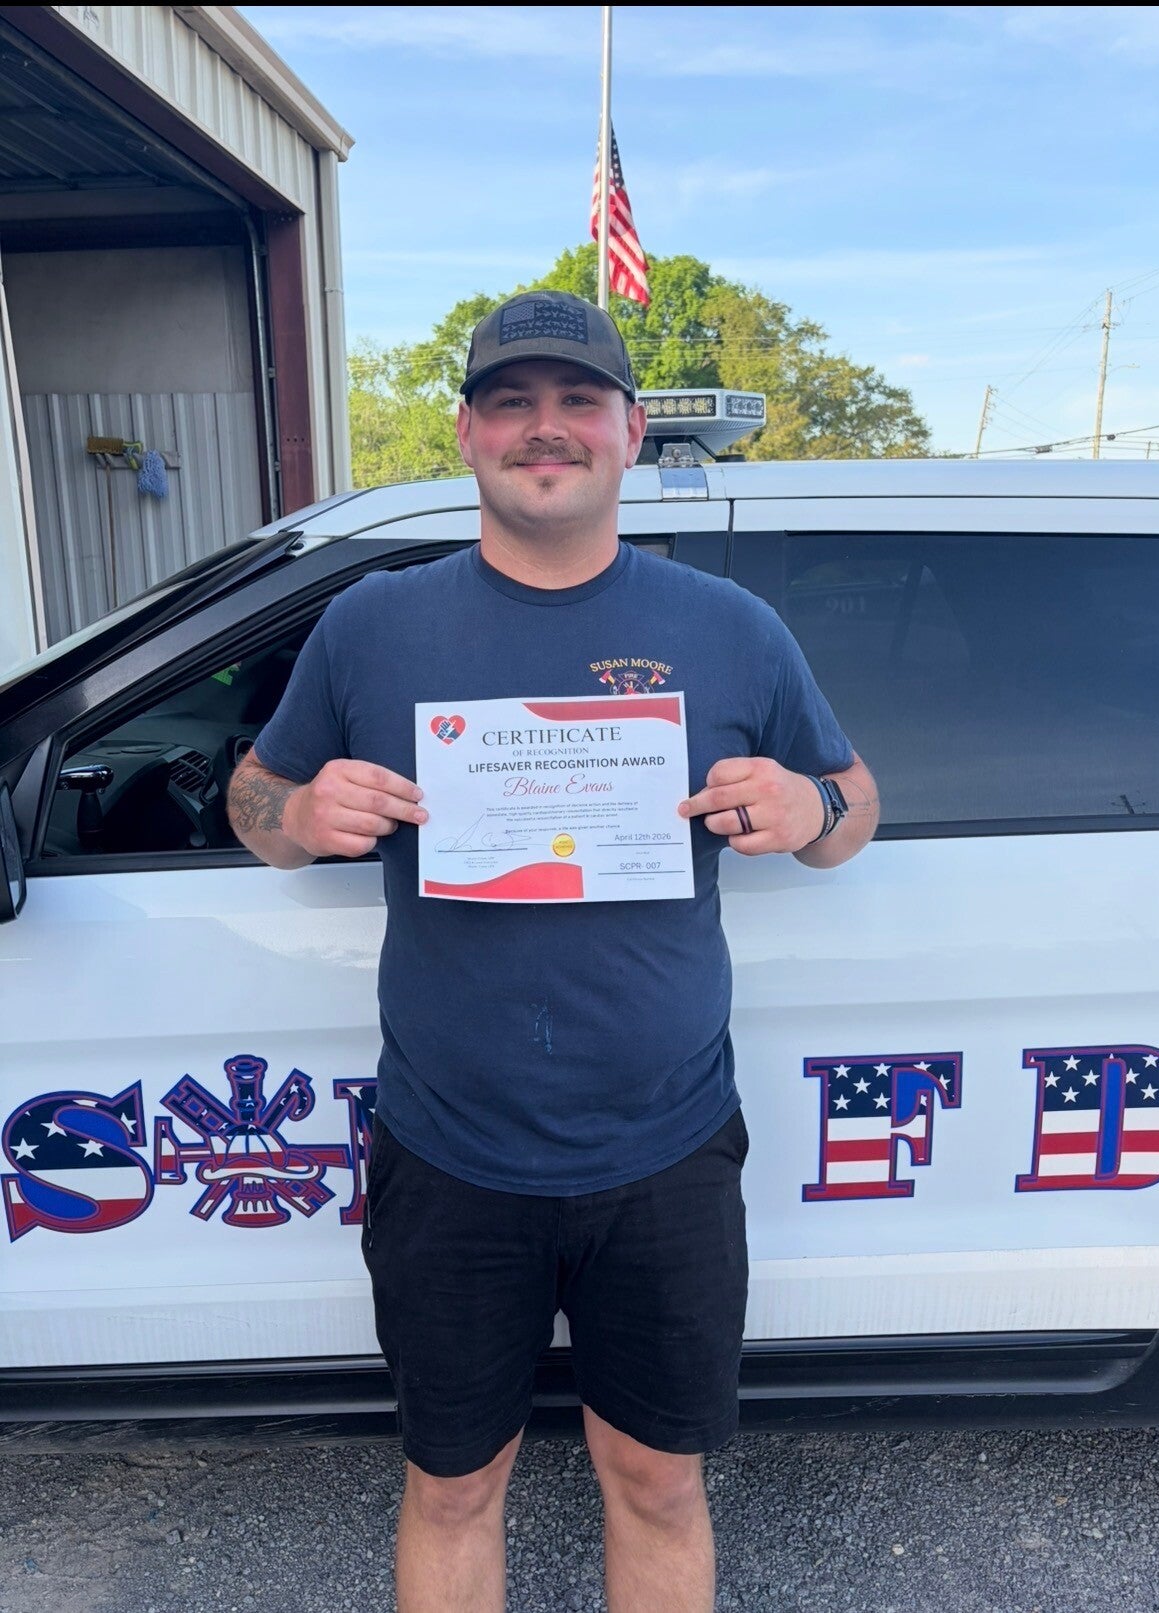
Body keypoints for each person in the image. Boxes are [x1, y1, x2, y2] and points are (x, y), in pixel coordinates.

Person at [227, 289, 878, 1613]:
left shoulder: (727, 628)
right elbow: (253, 800)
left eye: (579, 400)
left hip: (666, 1150)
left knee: (659, 1482)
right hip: (449, 1151)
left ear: (630, 431)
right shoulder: (373, 625)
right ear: (467, 432)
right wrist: (295, 817)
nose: (546, 427)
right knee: (453, 1487)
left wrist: (809, 809)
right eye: (511, 402)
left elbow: (855, 804)